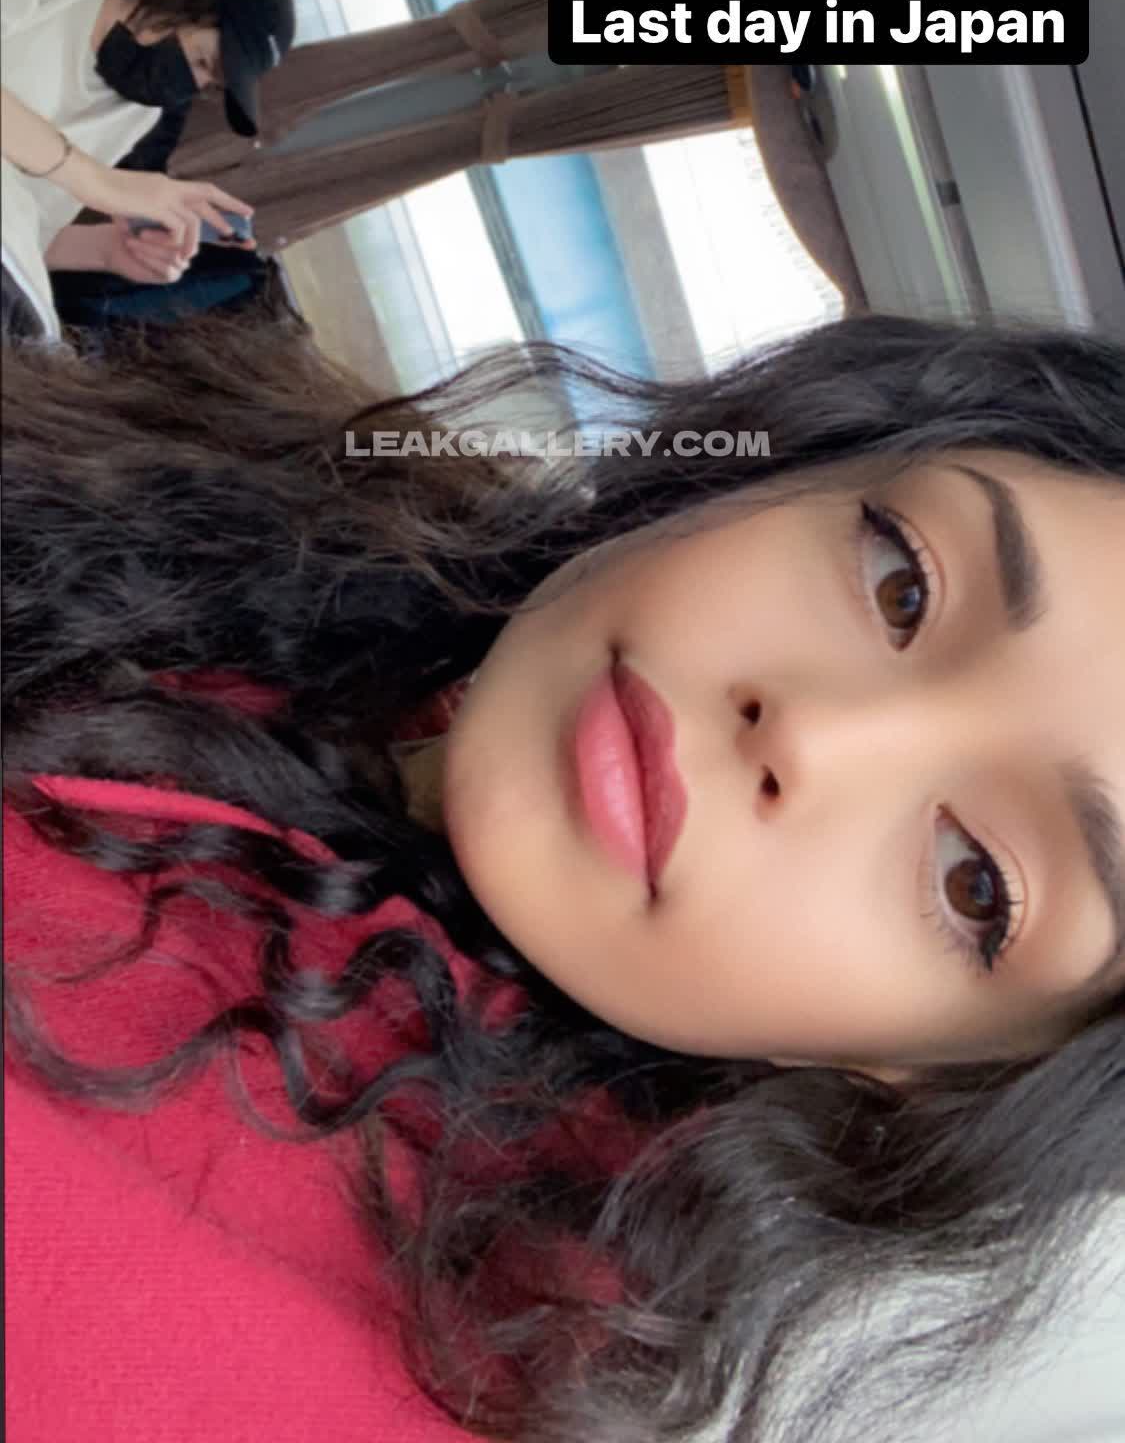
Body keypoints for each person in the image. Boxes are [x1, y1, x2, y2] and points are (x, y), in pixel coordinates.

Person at [3, 310, 1124, 1443]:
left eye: (975, 883)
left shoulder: (394, 1356)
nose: (814, 733)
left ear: (929, 1078)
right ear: (786, 467)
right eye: (901, 585)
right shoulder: (292, 499)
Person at [1, 0, 294, 337]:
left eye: (208, 84)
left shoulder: (134, 113)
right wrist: (97, 182)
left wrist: (102, 251)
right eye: (202, 61)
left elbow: (24, 224)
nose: (191, 86)